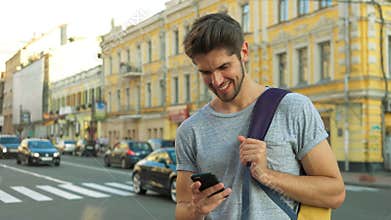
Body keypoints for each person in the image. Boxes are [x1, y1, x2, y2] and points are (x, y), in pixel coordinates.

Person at [175, 13, 345, 220]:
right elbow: (182, 208)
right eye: (206, 72)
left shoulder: (292, 108)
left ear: (243, 52)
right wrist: (197, 210)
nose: (217, 81)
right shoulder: (190, 130)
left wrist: (266, 175)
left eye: (223, 67)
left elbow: (335, 193)